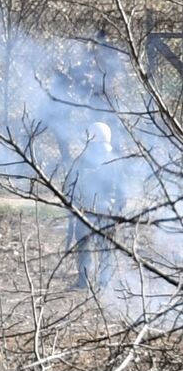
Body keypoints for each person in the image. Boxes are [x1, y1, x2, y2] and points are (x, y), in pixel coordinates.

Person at [66, 121, 125, 289]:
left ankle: (83, 282)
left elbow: (71, 186)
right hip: (108, 211)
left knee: (84, 246)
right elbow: (122, 191)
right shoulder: (116, 160)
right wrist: (118, 210)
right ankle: (104, 283)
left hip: (86, 210)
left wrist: (72, 207)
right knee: (105, 247)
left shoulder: (82, 160)